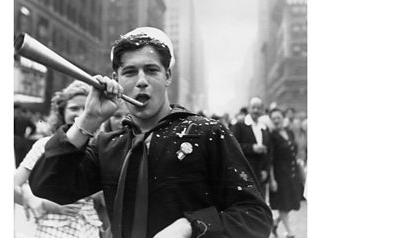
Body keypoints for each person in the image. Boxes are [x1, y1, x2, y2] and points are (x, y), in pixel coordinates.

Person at [28, 27, 273, 238]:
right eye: (130, 72)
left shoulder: (208, 133)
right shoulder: (106, 145)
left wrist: (191, 226)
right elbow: (48, 186)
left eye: (151, 70)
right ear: (116, 79)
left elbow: (255, 216)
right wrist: (89, 118)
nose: (141, 80)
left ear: (167, 76)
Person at [14, 80, 104, 238]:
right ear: (62, 112)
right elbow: (13, 186)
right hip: (53, 231)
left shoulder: (98, 148)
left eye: (86, 108)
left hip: (89, 231)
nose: (81, 113)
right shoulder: (44, 145)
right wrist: (45, 204)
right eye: (74, 108)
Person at [268, 109, 302, 238]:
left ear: (283, 118)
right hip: (279, 175)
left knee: (292, 202)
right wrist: (272, 180)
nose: (276, 120)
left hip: (292, 173)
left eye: (278, 117)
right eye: (274, 118)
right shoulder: (271, 136)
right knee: (283, 203)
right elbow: (270, 160)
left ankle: (275, 222)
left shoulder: (289, 132)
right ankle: (290, 232)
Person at [231, 97, 272, 198]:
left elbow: (270, 152)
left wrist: (266, 170)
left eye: (259, 108)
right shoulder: (239, 126)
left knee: (261, 202)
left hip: (261, 173)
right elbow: (233, 146)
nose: (256, 110)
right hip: (245, 173)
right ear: (248, 108)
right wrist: (252, 148)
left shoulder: (264, 128)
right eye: (253, 107)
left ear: (262, 110)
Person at [14, 103, 37, 167]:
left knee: (16, 158)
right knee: (22, 158)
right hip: (23, 139)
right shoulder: (24, 118)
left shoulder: (14, 117)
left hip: (15, 140)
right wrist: (28, 135)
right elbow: (34, 127)